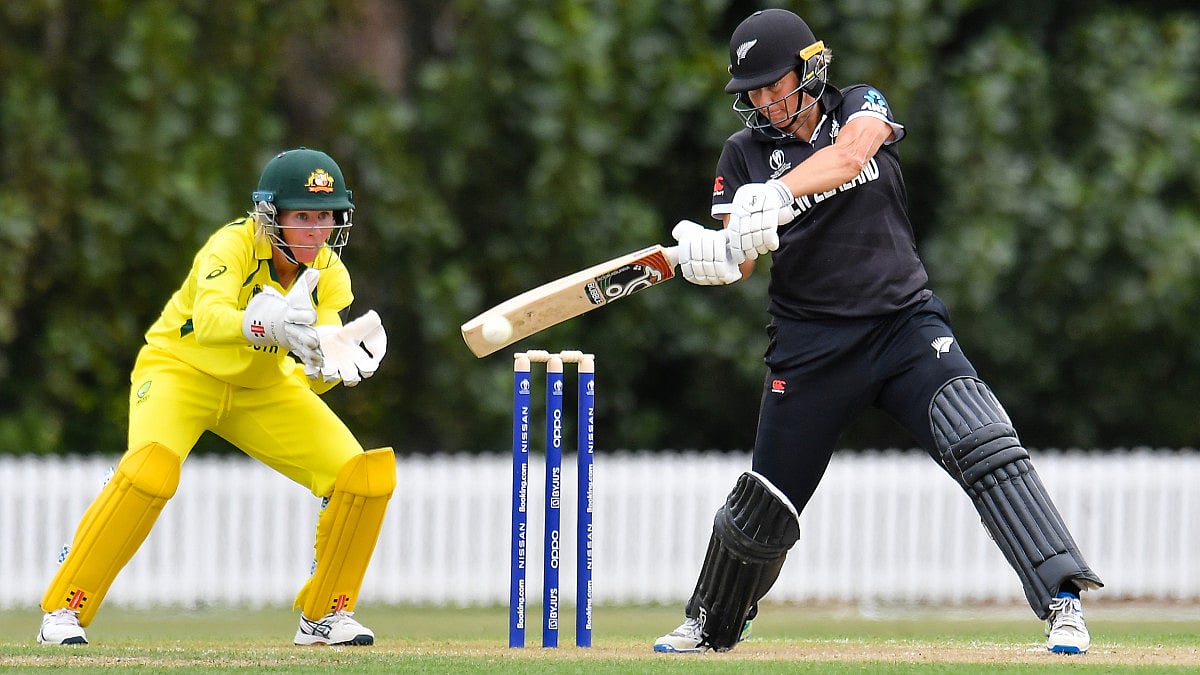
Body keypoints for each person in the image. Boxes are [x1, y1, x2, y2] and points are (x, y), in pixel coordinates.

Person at [656, 9, 1102, 655]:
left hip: (902, 326)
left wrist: (777, 194)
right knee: (766, 500)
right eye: (752, 92)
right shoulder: (743, 152)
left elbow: (851, 153)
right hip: (809, 345)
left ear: (809, 70)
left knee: (983, 442)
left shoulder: (858, 104)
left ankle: (1063, 600)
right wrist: (715, 258)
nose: (764, 101)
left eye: (773, 84)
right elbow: (741, 257)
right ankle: (712, 620)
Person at [37, 148, 395, 647]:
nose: (317, 231)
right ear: (271, 214)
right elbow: (208, 322)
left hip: (262, 387)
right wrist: (268, 323)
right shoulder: (232, 245)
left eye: (326, 217)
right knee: (150, 471)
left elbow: (314, 366)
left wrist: (333, 360)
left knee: (363, 477)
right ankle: (63, 610)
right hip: (181, 372)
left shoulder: (331, 275)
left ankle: (325, 617)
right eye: (303, 217)